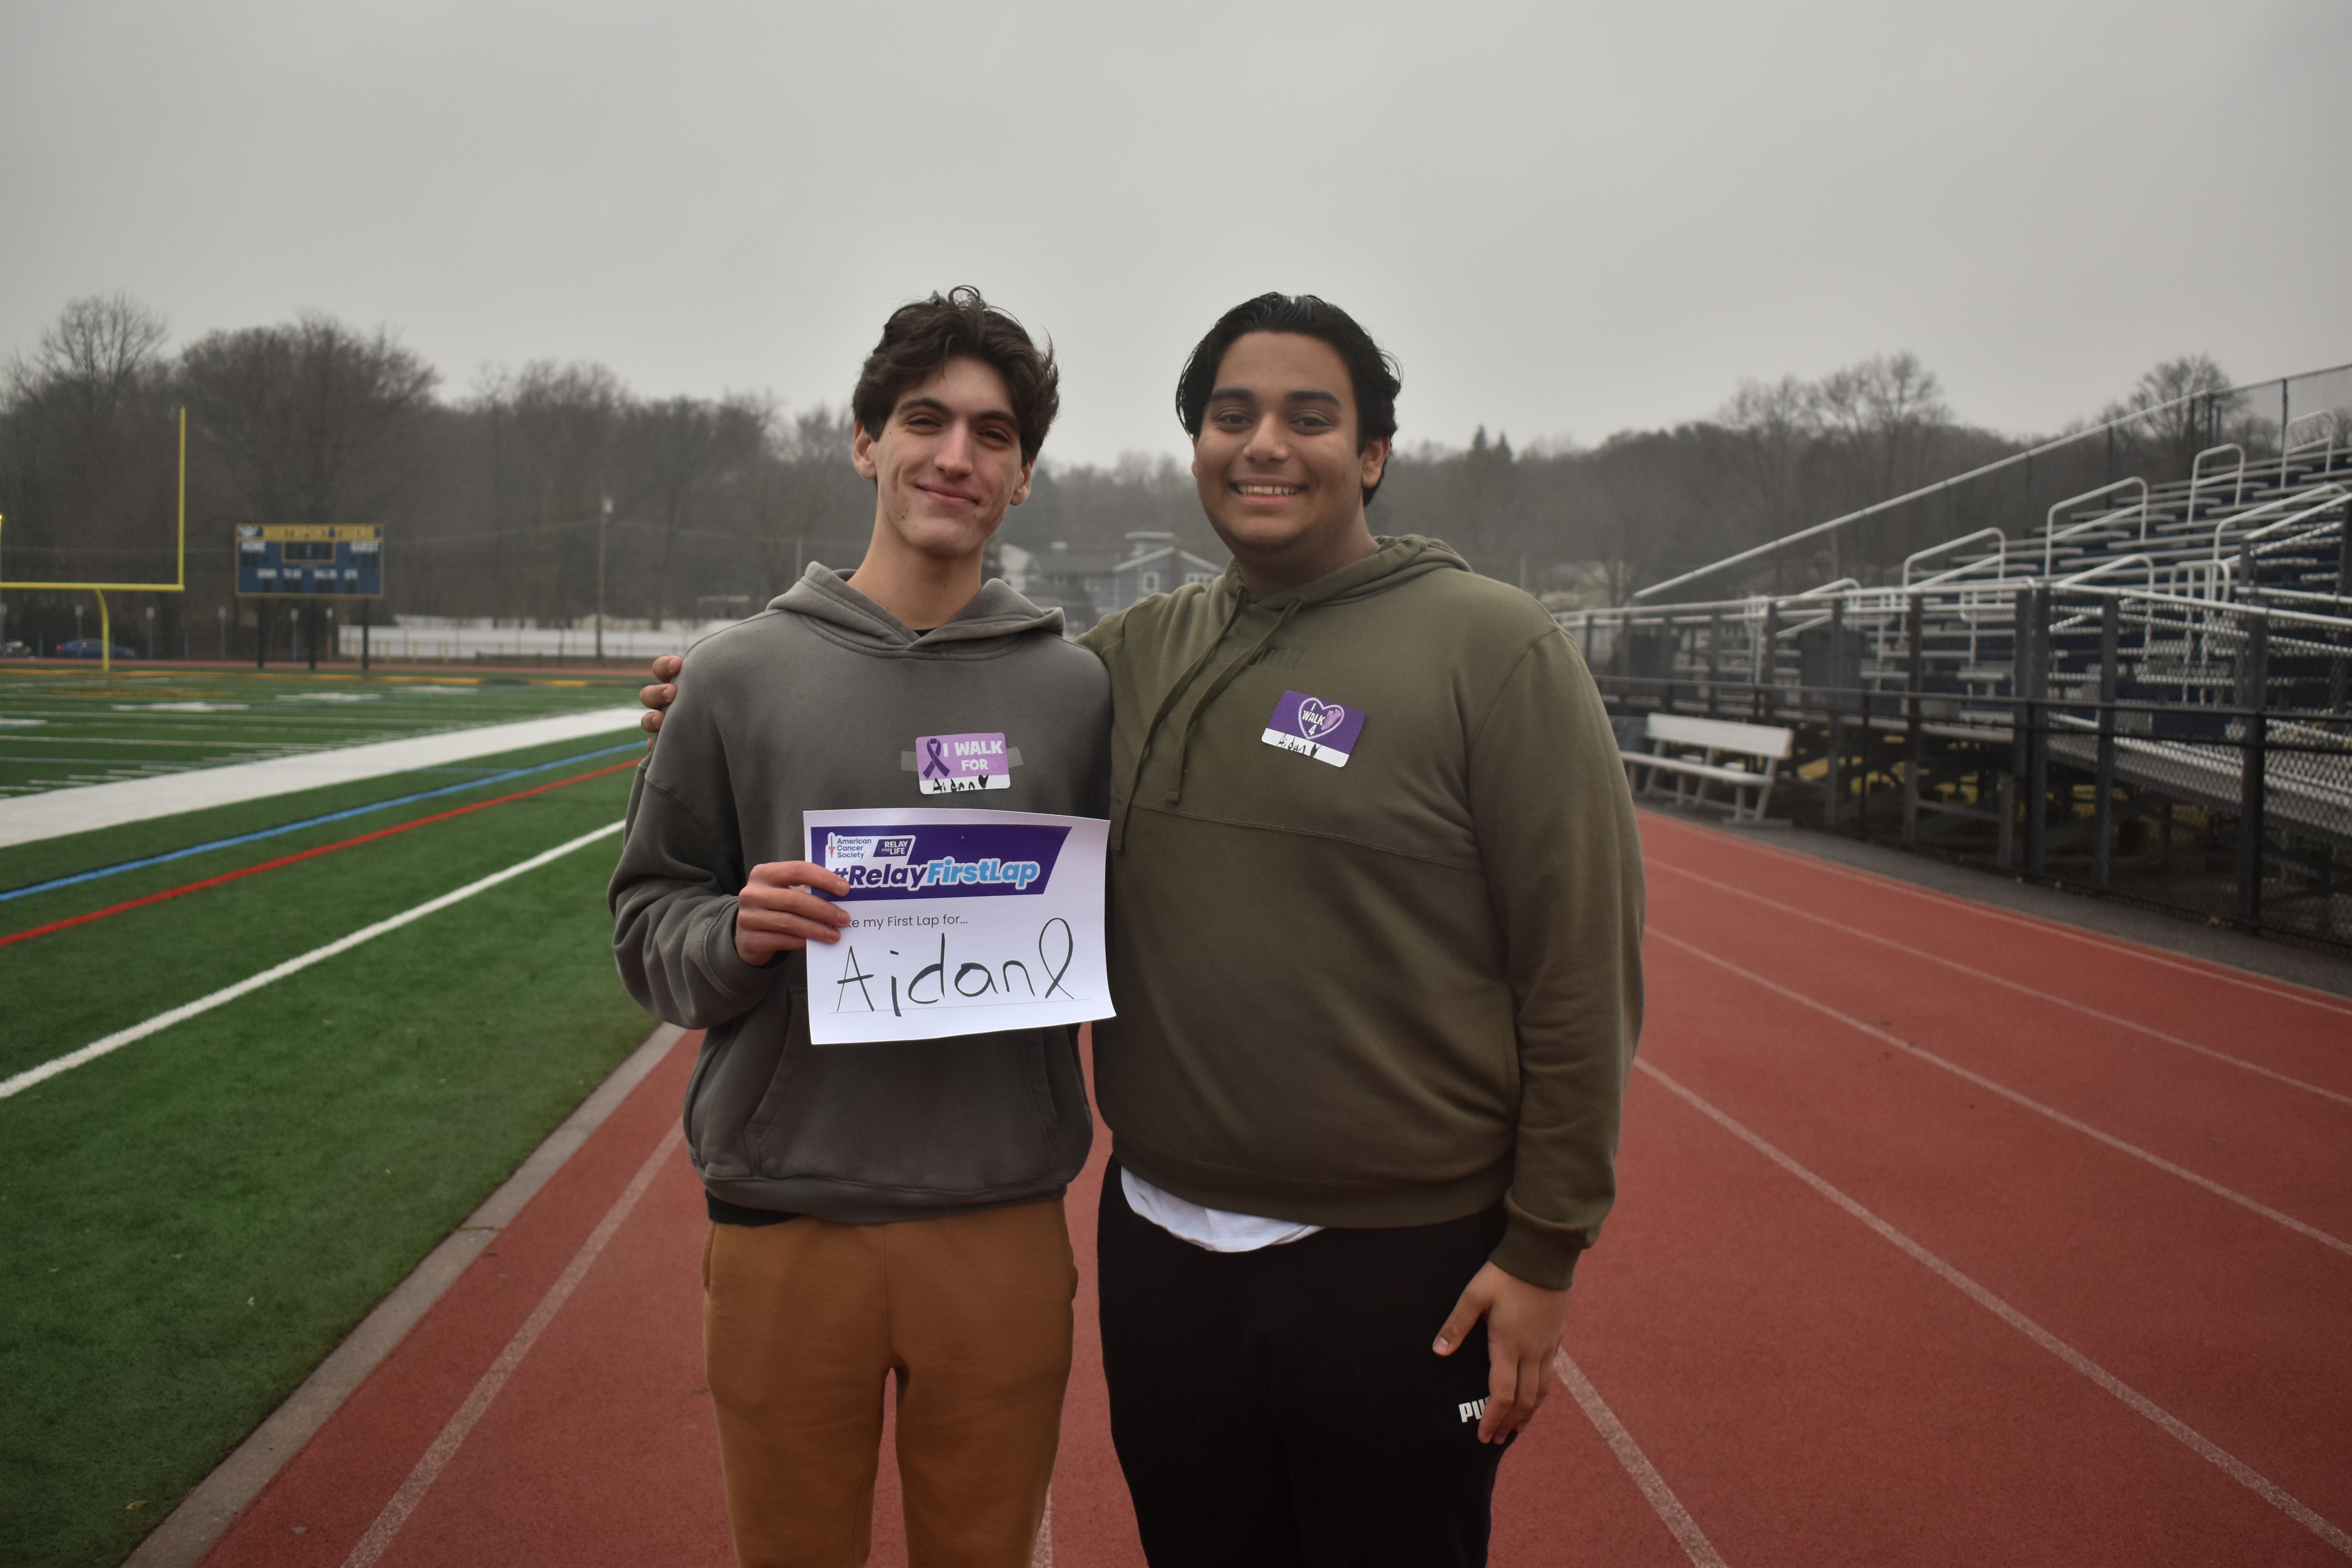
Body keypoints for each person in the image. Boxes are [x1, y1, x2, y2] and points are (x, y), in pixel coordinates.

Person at [641, 293, 1644, 1568]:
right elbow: (904, 692)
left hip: (1395, 1261)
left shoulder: (1489, 649)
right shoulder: (1127, 660)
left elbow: (1581, 972)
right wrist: (721, 685)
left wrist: (1546, 1248)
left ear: (1374, 454)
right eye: (1233, 416)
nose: (1265, 444)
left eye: (1309, 417)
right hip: (1165, 1249)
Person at [610, 287, 1109, 1568]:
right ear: (864, 441)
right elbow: (647, 925)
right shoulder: (735, 674)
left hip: (999, 1216)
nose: (956, 455)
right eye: (926, 420)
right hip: (789, 1219)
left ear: (1025, 475)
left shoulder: (1080, 691)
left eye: (992, 434)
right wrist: (738, 930)